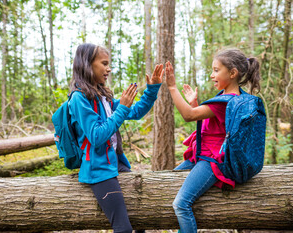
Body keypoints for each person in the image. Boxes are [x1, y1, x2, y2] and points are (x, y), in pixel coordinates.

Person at [68, 43, 163, 233]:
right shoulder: (79, 99)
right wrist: (121, 110)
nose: (108, 68)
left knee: (140, 221)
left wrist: (152, 90)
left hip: (115, 163)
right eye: (104, 63)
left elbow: (135, 111)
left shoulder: (102, 96)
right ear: (87, 64)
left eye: (108, 63)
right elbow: (96, 136)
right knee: (123, 229)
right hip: (98, 169)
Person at [165, 48, 261, 233]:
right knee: (171, 181)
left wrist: (172, 87)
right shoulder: (234, 98)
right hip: (202, 154)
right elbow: (211, 124)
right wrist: (194, 103)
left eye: (216, 70)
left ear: (232, 73)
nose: (211, 75)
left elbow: (188, 116)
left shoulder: (225, 101)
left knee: (181, 204)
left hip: (212, 160)